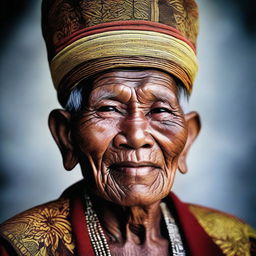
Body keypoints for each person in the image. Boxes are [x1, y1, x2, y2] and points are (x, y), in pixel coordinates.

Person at [0, 0, 255, 255]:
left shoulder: (240, 243)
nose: (136, 136)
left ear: (188, 138)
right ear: (66, 135)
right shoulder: (16, 248)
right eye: (109, 108)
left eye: (160, 110)